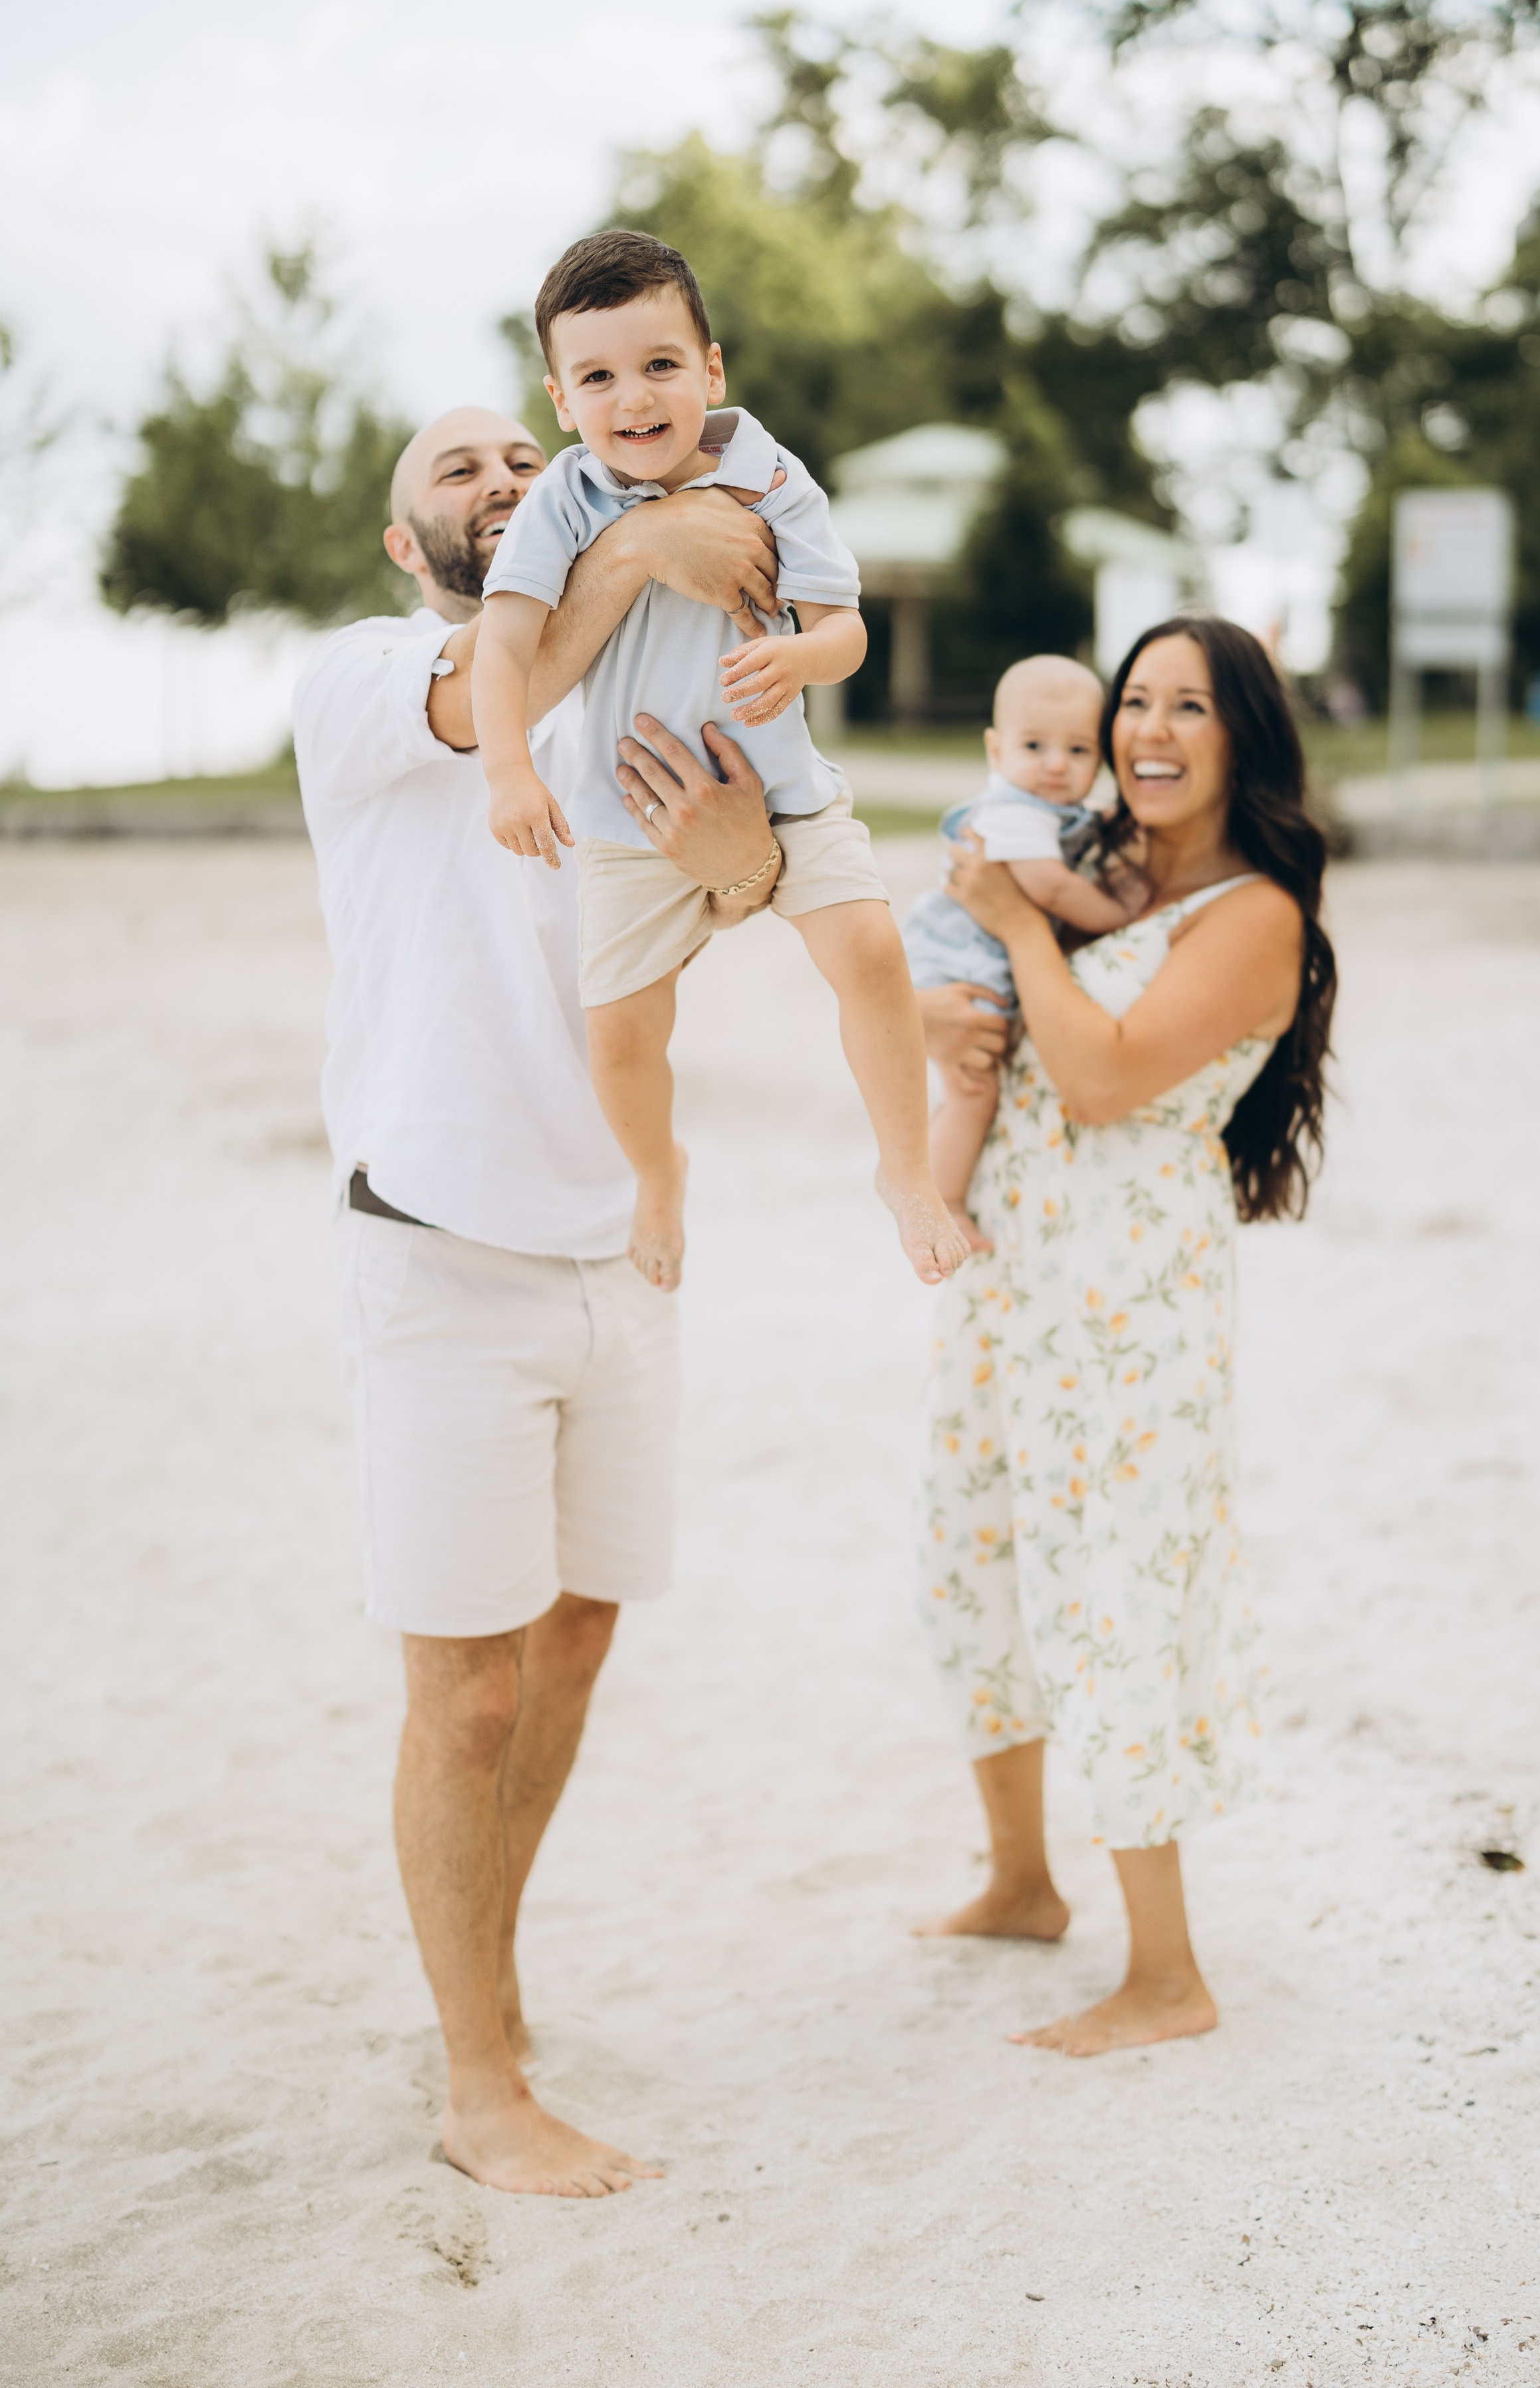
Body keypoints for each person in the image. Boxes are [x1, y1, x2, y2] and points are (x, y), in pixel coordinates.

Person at [293, 402, 819, 2199]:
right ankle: (476, 2083)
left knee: (582, 1639)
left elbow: (732, 892)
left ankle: (490, 1995)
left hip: (621, 1242)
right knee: (465, 1697)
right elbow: (488, 690)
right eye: (454, 470)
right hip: (437, 1242)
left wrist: (741, 856)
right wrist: (633, 553)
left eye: (523, 456)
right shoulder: (367, 680)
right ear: (401, 539)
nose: (497, 480)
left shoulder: (625, 695)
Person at [913, 617, 1337, 2057]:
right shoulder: (1096, 864)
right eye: (1132, 704)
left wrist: (1019, 925)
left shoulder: (1252, 914)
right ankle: (1021, 1882)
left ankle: (1165, 1975)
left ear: (1242, 737)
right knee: (977, 1550)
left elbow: (1095, 1081)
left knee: (1119, 1591)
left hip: (1129, 1304)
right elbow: (990, 1005)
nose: (1148, 732)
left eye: (1187, 708)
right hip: (1015, 1276)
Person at [469, 229, 967, 1295]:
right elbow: (504, 645)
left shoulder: (774, 477)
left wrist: (804, 654)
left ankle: (907, 1171)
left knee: (875, 957)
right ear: (561, 399)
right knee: (621, 1037)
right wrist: (509, 772)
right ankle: (658, 1173)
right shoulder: (563, 498)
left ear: (712, 370)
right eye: (597, 377)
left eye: (659, 365)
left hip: (784, 797)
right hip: (625, 815)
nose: (633, 398)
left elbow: (849, 631)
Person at [903, 653, 1147, 1250]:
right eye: (1034, 746)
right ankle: (940, 1201)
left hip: (973, 959)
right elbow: (1053, 888)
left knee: (972, 1087)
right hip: (961, 967)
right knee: (972, 1090)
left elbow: (1084, 828)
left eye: (1078, 751)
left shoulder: (1047, 810)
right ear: (996, 751)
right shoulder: (1010, 813)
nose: (1056, 766)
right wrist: (1120, 913)